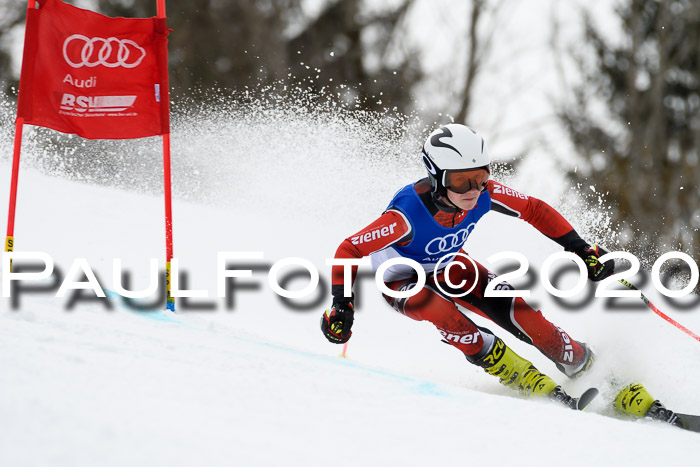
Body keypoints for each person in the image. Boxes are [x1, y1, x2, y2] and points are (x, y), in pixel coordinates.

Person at [320, 123, 615, 407]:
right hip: (402, 282)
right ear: (436, 177)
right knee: (436, 307)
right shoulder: (405, 216)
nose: (473, 189)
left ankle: (583, 363)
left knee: (521, 311)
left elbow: (534, 209)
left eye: (480, 176)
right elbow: (350, 248)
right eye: (461, 180)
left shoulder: (484, 194)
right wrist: (342, 305)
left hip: (449, 266)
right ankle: (515, 371)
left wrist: (581, 248)